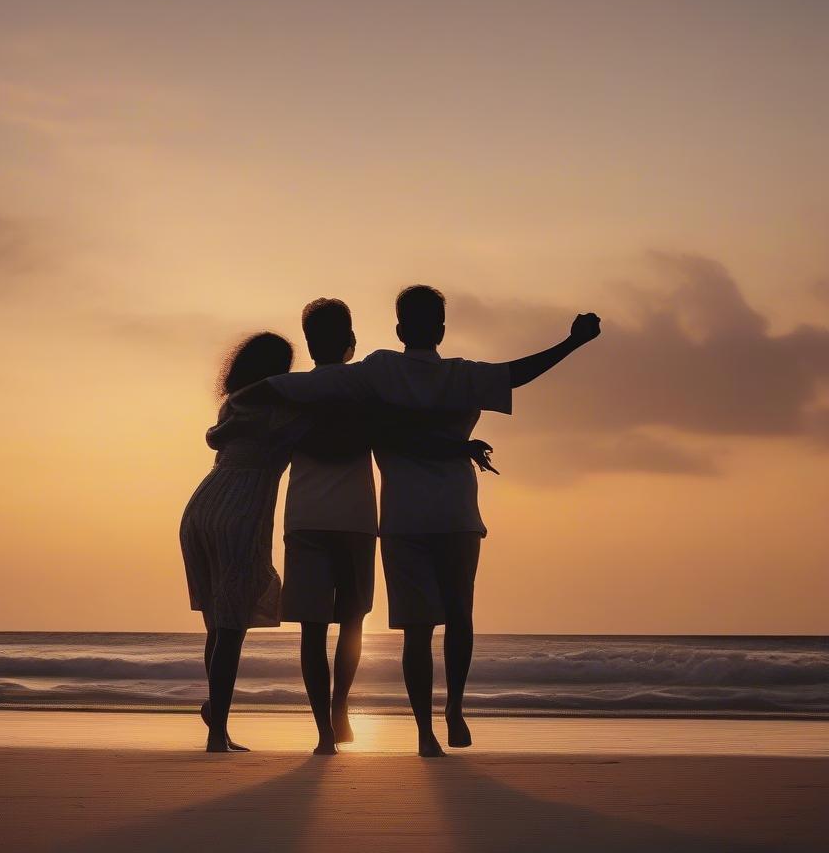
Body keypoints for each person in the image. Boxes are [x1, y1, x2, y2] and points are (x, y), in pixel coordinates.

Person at [238, 287, 601, 756]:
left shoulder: (379, 370)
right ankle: (454, 709)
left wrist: (243, 394)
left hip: (403, 518)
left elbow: (305, 386)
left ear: (399, 330)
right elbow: (518, 374)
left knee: (417, 630)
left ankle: (425, 734)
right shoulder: (462, 375)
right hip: (457, 513)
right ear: (442, 330)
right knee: (459, 616)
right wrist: (572, 343)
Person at [179, 327, 495, 754]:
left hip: (203, 505)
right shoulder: (285, 406)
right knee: (235, 623)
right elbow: (343, 441)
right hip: (242, 511)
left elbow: (219, 440)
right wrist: (440, 443)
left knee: (221, 622)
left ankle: (219, 717)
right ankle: (219, 732)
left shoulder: (236, 404)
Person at [281, 298, 497, 755]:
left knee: (314, 630)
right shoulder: (367, 389)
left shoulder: (291, 390)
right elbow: (398, 430)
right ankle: (343, 711)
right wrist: (455, 447)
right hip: (358, 522)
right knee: (354, 625)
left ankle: (326, 730)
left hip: (306, 521)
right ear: (352, 342)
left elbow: (269, 433)